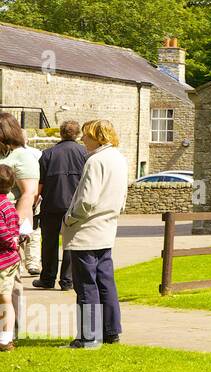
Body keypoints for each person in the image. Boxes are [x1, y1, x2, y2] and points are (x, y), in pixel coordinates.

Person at [62, 119, 129, 348]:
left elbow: (87, 199)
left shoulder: (96, 160)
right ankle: (111, 332)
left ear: (97, 136)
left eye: (86, 136)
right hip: (107, 227)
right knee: (105, 282)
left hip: (87, 230)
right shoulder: (120, 158)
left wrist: (69, 218)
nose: (82, 140)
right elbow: (122, 198)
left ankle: (88, 336)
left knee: (86, 285)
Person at [32, 121, 87, 292]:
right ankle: (67, 281)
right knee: (71, 243)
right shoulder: (85, 154)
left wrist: (33, 204)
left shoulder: (47, 154)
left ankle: (48, 278)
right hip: (74, 205)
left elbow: (39, 185)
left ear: (61, 133)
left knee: (49, 242)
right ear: (78, 134)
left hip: (51, 204)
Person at [0, 114, 40, 280]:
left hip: (8, 223)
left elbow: (29, 192)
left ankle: (12, 307)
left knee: (9, 279)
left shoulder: (22, 156)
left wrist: (15, 226)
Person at [0, 165, 22, 352]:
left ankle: (5, 340)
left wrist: (13, 243)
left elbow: (3, 233)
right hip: (10, 259)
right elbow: (16, 227)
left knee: (4, 299)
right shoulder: (8, 203)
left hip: (4, 261)